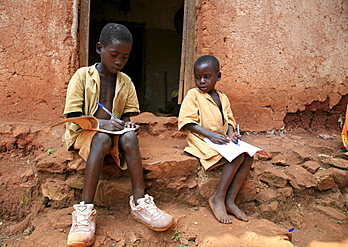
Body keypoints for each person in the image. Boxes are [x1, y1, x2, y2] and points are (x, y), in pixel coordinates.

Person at [63, 23, 174, 247]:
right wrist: (102, 123)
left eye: (124, 58)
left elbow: (127, 116)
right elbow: (73, 115)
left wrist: (128, 126)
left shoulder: (126, 82)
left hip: (113, 131)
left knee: (130, 137)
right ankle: (85, 210)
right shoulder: (82, 76)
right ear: (99, 49)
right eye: (114, 55)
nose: (118, 62)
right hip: (85, 133)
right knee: (102, 137)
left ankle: (141, 202)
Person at [178, 55, 254, 224]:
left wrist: (232, 134)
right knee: (236, 156)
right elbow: (187, 122)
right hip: (202, 138)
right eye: (197, 77)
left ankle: (230, 201)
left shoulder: (223, 97)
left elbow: (230, 120)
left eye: (207, 76)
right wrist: (210, 134)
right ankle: (218, 198)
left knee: (248, 155)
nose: (201, 81)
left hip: (220, 139)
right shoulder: (193, 95)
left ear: (218, 76)